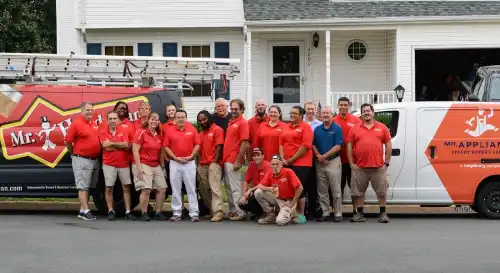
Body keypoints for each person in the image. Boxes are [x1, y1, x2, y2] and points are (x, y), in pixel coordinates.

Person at [347, 103, 392, 223]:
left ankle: (383, 213)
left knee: (381, 192)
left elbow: (388, 144)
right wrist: (352, 164)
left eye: (368, 111)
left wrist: (386, 162)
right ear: (361, 114)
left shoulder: (382, 127)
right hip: (360, 167)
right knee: (359, 192)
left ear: (373, 113)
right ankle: (359, 214)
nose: (366, 113)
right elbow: (349, 145)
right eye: (364, 111)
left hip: (378, 167)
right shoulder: (355, 128)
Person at [64, 101, 101, 220]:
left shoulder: (94, 124)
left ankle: (82, 210)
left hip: (93, 160)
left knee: (88, 186)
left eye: (91, 110)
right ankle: (86, 211)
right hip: (82, 159)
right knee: (83, 186)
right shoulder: (77, 124)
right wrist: (73, 153)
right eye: (87, 110)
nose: (90, 112)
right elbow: (67, 141)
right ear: (82, 111)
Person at [164, 109, 201, 222]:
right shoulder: (170, 131)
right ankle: (176, 213)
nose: (180, 119)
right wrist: (175, 158)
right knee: (176, 189)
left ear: (186, 118)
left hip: (189, 163)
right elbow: (166, 146)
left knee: (191, 189)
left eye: (182, 117)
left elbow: (197, 145)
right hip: (175, 163)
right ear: (175, 118)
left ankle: (194, 213)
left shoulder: (192, 130)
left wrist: (190, 157)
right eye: (178, 117)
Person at [99, 111, 136, 221]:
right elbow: (106, 148)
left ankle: (128, 211)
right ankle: (111, 210)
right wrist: (118, 145)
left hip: (123, 164)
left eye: (114, 118)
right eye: (110, 119)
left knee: (126, 187)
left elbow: (125, 145)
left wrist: (111, 143)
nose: (112, 121)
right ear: (107, 120)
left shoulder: (123, 130)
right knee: (109, 188)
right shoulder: (102, 132)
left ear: (118, 120)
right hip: (109, 164)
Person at [279, 105, 314, 223]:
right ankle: (291, 212)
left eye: (295, 113)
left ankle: (301, 213)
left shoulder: (306, 127)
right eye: (291, 113)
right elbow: (281, 144)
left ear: (301, 115)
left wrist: (291, 159)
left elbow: (306, 146)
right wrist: (283, 158)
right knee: (289, 187)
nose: (292, 115)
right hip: (286, 162)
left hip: (302, 163)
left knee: (298, 187)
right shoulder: (286, 126)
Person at [132, 112, 168, 221]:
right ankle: (144, 212)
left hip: (155, 164)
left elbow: (161, 153)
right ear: (148, 120)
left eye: (156, 120)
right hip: (143, 163)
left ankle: (158, 212)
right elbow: (135, 150)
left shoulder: (159, 135)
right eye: (152, 119)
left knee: (162, 188)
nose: (154, 121)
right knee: (146, 189)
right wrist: (139, 169)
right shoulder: (141, 132)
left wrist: (163, 168)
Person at [312, 106, 343, 222]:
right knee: (322, 189)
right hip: (319, 162)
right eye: (323, 113)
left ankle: (338, 213)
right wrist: (319, 156)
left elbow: (338, 146)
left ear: (332, 115)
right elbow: (313, 145)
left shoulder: (337, 128)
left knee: (336, 189)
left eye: (327, 113)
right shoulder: (317, 129)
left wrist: (324, 156)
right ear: (320, 115)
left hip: (333, 161)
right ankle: (325, 212)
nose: (325, 115)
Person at [253, 154, 303, 226]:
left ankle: (292, 215)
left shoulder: (289, 172)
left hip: (288, 202)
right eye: (273, 164)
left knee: (280, 222)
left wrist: (292, 203)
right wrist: (269, 188)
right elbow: (260, 185)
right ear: (270, 165)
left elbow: (300, 187)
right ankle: (271, 213)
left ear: (281, 164)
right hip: (277, 199)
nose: (275, 166)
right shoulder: (270, 173)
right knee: (258, 192)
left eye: (277, 164)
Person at [223, 98, 250, 221]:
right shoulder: (231, 121)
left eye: (236, 109)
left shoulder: (243, 123)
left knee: (235, 188)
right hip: (227, 159)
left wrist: (238, 160)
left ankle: (241, 212)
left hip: (234, 159)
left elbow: (245, 143)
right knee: (229, 187)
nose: (233, 111)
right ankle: (233, 210)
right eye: (232, 108)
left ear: (242, 110)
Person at [333, 97, 360, 214]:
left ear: (349, 106)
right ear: (337, 106)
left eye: (345, 105)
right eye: (341, 105)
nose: (343, 107)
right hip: (337, 160)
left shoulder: (356, 120)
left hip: (352, 161)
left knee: (354, 187)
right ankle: (338, 211)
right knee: (338, 187)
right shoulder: (333, 120)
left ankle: (356, 211)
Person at [197, 110, 225, 222]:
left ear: (209, 118)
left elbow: (219, 146)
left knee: (215, 188)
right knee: (204, 189)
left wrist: (215, 161)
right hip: (202, 164)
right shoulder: (201, 133)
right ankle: (212, 210)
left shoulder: (217, 129)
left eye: (204, 119)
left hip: (214, 163)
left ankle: (218, 212)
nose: (202, 122)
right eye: (200, 121)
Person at [238, 147, 271, 219]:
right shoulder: (251, 164)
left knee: (258, 192)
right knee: (241, 203)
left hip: (267, 192)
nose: (256, 157)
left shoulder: (268, 165)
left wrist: (250, 190)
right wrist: (244, 196)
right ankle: (259, 213)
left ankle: (268, 212)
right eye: (254, 155)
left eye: (258, 155)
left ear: (263, 156)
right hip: (255, 192)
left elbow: (263, 184)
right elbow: (246, 181)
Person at [304, 101, 321, 219]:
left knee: (313, 185)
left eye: (312, 109)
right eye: (308, 109)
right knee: (302, 184)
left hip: (315, 157)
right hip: (302, 158)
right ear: (305, 110)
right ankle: (302, 209)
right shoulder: (300, 123)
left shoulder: (319, 124)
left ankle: (312, 210)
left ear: (315, 110)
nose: (310, 111)